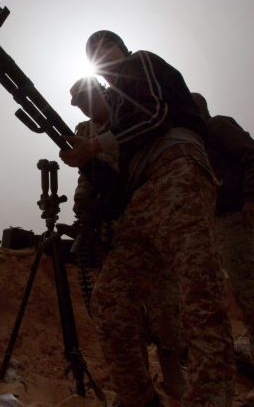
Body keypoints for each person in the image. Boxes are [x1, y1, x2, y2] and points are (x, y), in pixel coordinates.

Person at [60, 31, 234, 407]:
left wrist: (96, 146)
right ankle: (138, 399)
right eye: (95, 53)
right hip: (141, 199)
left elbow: (155, 115)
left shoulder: (140, 64)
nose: (104, 55)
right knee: (109, 301)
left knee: (200, 298)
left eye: (107, 46)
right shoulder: (114, 116)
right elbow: (115, 186)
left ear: (122, 49)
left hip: (177, 174)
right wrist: (90, 164)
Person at [69, 77, 186, 401]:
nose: (85, 106)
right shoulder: (84, 130)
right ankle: (137, 386)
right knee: (121, 305)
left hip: (151, 208)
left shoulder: (129, 112)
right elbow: (86, 173)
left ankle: (172, 370)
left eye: (87, 98)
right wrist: (84, 201)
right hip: (117, 224)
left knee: (165, 300)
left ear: (102, 92)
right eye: (79, 103)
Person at [191, 92, 254, 406]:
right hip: (209, 228)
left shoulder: (218, 127)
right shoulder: (192, 146)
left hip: (234, 222)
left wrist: (251, 198)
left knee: (251, 301)